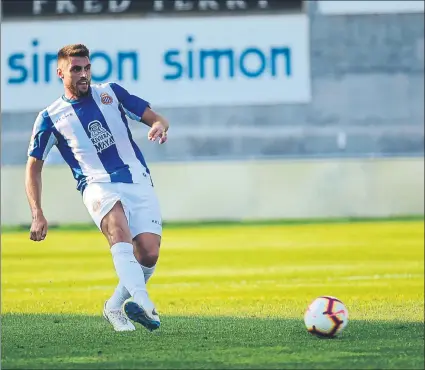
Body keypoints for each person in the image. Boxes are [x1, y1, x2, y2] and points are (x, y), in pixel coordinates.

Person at [24, 44, 169, 333]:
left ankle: (114, 306)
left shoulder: (111, 93)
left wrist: (159, 127)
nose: (83, 74)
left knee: (149, 253)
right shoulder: (50, 117)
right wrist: (37, 213)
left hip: (137, 178)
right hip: (96, 184)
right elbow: (33, 167)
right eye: (76, 69)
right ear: (60, 72)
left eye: (87, 68)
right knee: (119, 233)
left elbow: (156, 118)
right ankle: (144, 303)